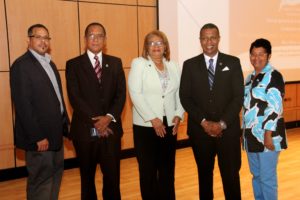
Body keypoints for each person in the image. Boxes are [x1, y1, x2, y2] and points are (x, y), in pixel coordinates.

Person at [179, 23, 244, 199]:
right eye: (205, 38)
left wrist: (222, 123)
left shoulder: (233, 62)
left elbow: (238, 97)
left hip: (228, 132)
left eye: (213, 37)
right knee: (204, 177)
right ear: (200, 40)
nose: (209, 41)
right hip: (200, 132)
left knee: (231, 177)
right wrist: (204, 122)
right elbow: (185, 97)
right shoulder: (189, 65)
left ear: (219, 39)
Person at [66, 22, 126, 200]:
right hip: (85, 132)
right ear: (85, 39)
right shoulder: (73, 64)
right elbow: (74, 97)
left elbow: (121, 95)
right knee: (87, 178)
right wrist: (96, 121)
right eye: (91, 35)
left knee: (112, 178)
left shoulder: (115, 63)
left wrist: (107, 118)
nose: (95, 39)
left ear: (105, 39)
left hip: (111, 131)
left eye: (100, 35)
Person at [10, 24, 69, 200]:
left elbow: (58, 99)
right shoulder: (21, 65)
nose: (43, 41)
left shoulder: (50, 63)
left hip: (55, 134)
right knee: (41, 182)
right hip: (40, 139)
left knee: (55, 176)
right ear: (28, 40)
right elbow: (23, 106)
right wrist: (37, 136)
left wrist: (64, 126)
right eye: (38, 37)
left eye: (46, 38)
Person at [128, 30, 184, 200]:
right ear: (146, 47)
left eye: (160, 42)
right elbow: (135, 93)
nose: (156, 46)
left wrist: (178, 114)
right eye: (152, 43)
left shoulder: (174, 66)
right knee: (148, 171)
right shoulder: (139, 64)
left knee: (167, 169)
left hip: (169, 126)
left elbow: (180, 93)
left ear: (165, 46)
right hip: (145, 126)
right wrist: (153, 118)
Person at [242, 38, 288, 200]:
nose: (256, 58)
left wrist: (268, 133)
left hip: (267, 136)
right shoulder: (249, 79)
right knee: (256, 176)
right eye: (253, 54)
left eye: (261, 54)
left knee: (267, 178)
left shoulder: (274, 75)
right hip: (251, 136)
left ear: (268, 56)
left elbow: (275, 107)